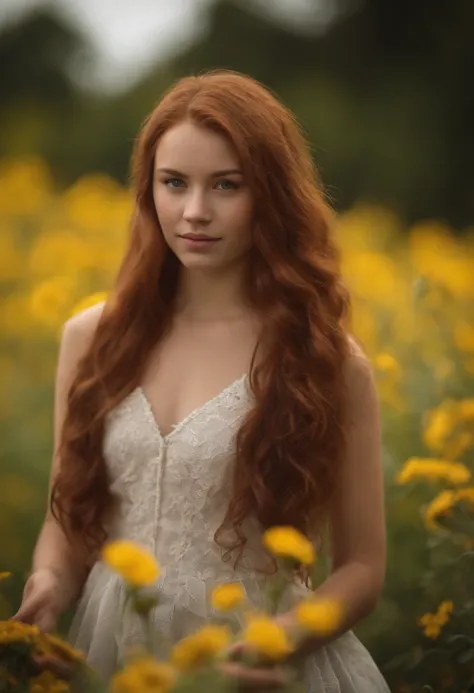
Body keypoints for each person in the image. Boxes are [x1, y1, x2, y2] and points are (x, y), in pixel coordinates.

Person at [14, 70, 390, 691]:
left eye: (226, 185)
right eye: (174, 183)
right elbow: (69, 516)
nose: (194, 212)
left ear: (270, 194)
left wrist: (278, 643)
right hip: (113, 650)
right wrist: (49, 586)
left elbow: (362, 567)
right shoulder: (90, 339)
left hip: (260, 661)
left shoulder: (326, 361)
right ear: (148, 189)